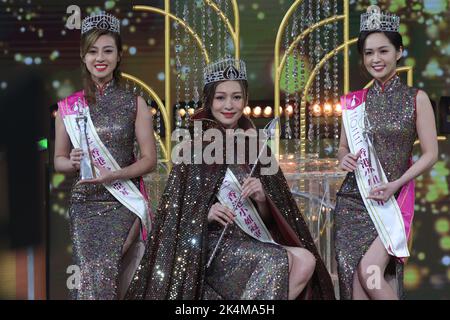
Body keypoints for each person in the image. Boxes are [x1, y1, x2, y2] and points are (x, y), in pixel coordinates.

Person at [125, 57, 335, 300]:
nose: (229, 105)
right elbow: (172, 216)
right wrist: (206, 212)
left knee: (307, 261)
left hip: (253, 239)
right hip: (209, 245)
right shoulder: (192, 148)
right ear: (209, 101)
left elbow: (274, 220)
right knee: (276, 260)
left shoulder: (256, 147)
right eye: (221, 97)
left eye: (236, 97)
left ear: (245, 100)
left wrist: (262, 199)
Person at [334, 5, 438, 300]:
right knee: (356, 287)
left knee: (371, 272)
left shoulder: (416, 99)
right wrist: (344, 158)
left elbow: (431, 153)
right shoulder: (355, 103)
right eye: (368, 53)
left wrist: (396, 183)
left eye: (383, 51)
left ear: (399, 52)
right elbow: (343, 148)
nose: (375, 59)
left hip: (393, 198)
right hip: (354, 201)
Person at [54, 11, 157, 299]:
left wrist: (115, 174)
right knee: (90, 271)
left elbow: (149, 159)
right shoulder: (69, 108)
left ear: (119, 55)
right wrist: (71, 162)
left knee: (105, 266)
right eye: (93, 51)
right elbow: (58, 162)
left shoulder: (135, 103)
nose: (100, 58)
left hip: (122, 199)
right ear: (84, 56)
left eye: (108, 50)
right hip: (85, 203)